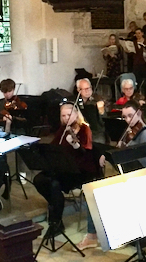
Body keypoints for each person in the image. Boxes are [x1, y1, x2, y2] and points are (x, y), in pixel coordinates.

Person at [81, 101, 146, 251]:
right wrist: (107, 154)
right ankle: (94, 235)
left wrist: (122, 154)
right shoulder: (131, 132)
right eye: (125, 117)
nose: (128, 120)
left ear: (139, 113)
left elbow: (145, 163)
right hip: (128, 176)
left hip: (140, 180)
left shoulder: (145, 133)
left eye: (130, 115)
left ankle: (111, 234)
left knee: (99, 195)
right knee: (93, 192)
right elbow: (119, 151)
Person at [33, 102, 101, 243]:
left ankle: (56, 222)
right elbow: (53, 147)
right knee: (39, 180)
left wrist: (75, 145)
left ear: (76, 114)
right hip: (64, 168)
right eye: (63, 116)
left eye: (69, 115)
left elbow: (85, 152)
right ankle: (56, 205)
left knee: (54, 184)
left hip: (81, 170)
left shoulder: (84, 129)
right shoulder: (63, 130)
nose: (66, 118)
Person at [75, 78, 107, 142]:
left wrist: (101, 111)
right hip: (82, 130)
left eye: (89, 88)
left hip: (97, 132)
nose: (87, 91)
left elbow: (105, 119)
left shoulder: (98, 99)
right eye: (85, 89)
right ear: (79, 90)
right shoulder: (76, 101)